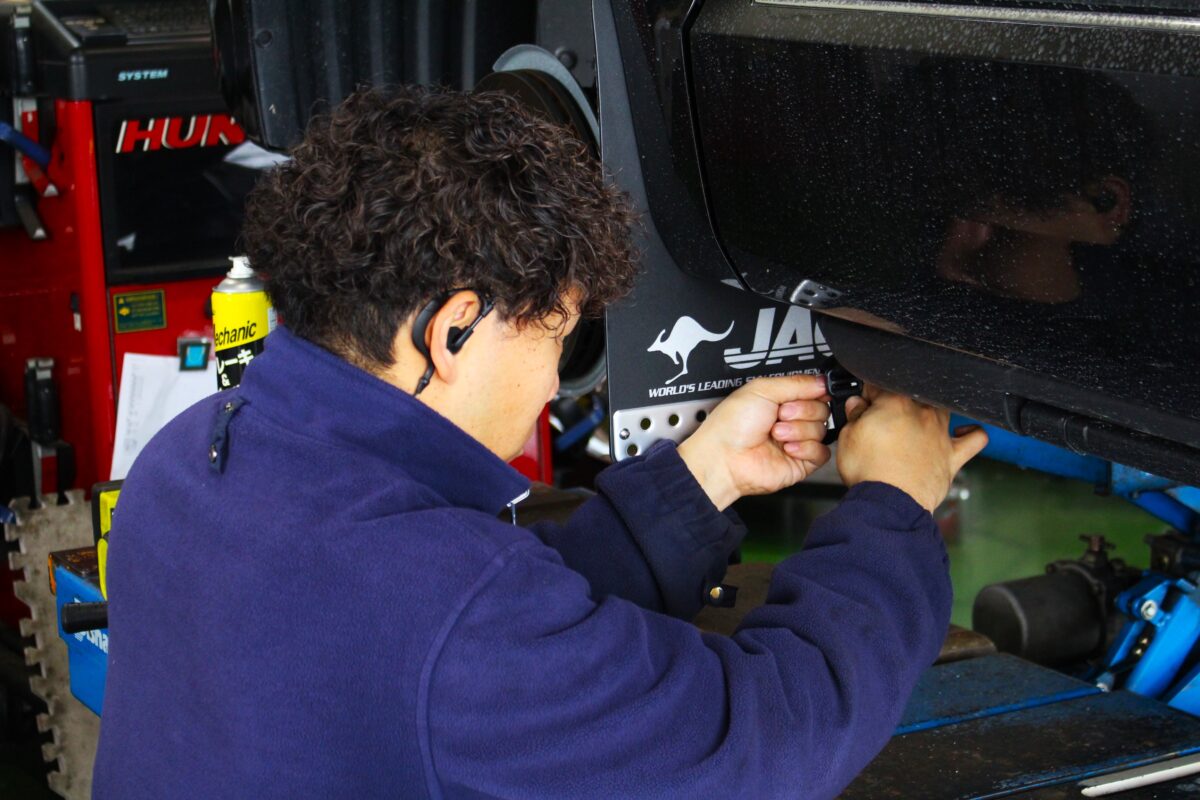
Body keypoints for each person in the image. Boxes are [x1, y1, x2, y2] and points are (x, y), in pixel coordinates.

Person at [92, 86, 987, 799]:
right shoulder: (448, 608)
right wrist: (893, 507)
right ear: (451, 331)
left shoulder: (186, 460)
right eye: (555, 335)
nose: (555, 384)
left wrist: (702, 477)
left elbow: (460, 641)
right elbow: (754, 746)